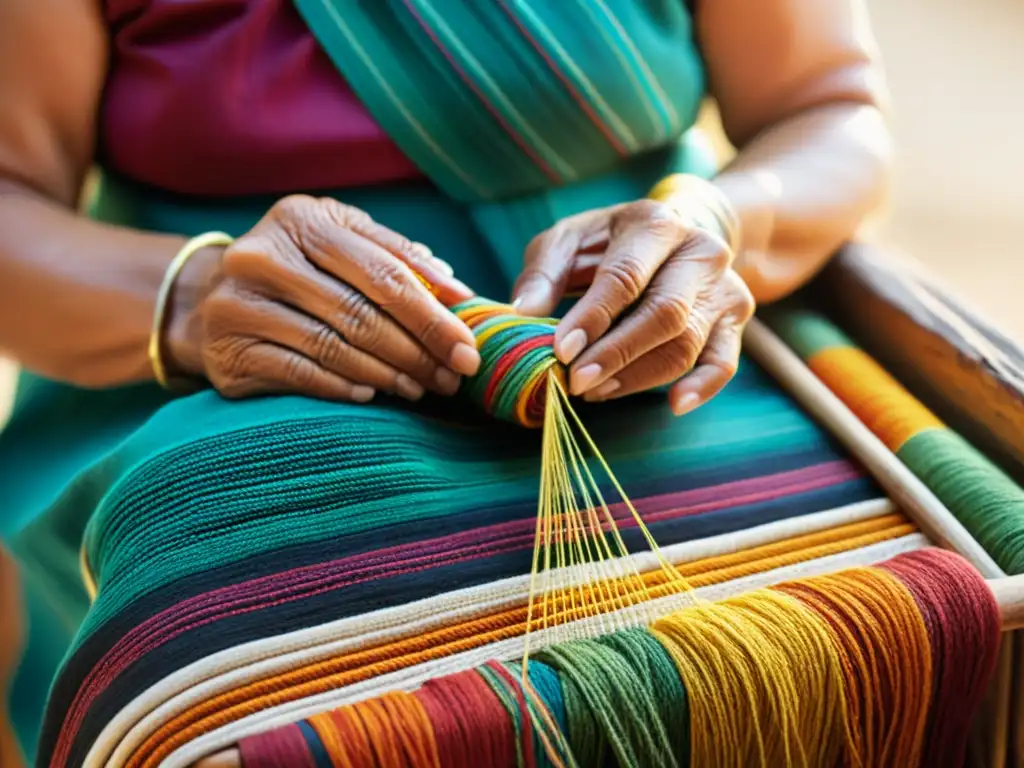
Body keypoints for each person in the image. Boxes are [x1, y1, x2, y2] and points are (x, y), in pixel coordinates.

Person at [0, 0, 891, 763]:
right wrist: (194, 297)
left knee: (906, 581)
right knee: (192, 624)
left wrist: (714, 221)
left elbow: (829, 109)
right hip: (219, 363)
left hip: (661, 337)